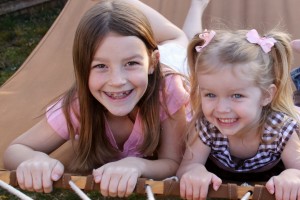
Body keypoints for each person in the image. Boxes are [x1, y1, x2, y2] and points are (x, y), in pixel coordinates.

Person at [3, 0, 192, 197]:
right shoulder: (79, 105)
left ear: (152, 63)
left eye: (131, 63)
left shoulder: (169, 91)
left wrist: (138, 164)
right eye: (101, 66)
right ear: (83, 70)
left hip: (173, 62)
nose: (117, 81)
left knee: (180, 38)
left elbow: (172, 163)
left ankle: (195, 6)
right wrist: (35, 159)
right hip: (151, 66)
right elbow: (16, 149)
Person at [176, 28, 300, 200]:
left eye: (236, 96)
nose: (221, 108)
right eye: (210, 95)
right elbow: (186, 168)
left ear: (266, 95)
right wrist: (195, 171)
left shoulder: (279, 128)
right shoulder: (207, 126)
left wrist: (292, 176)